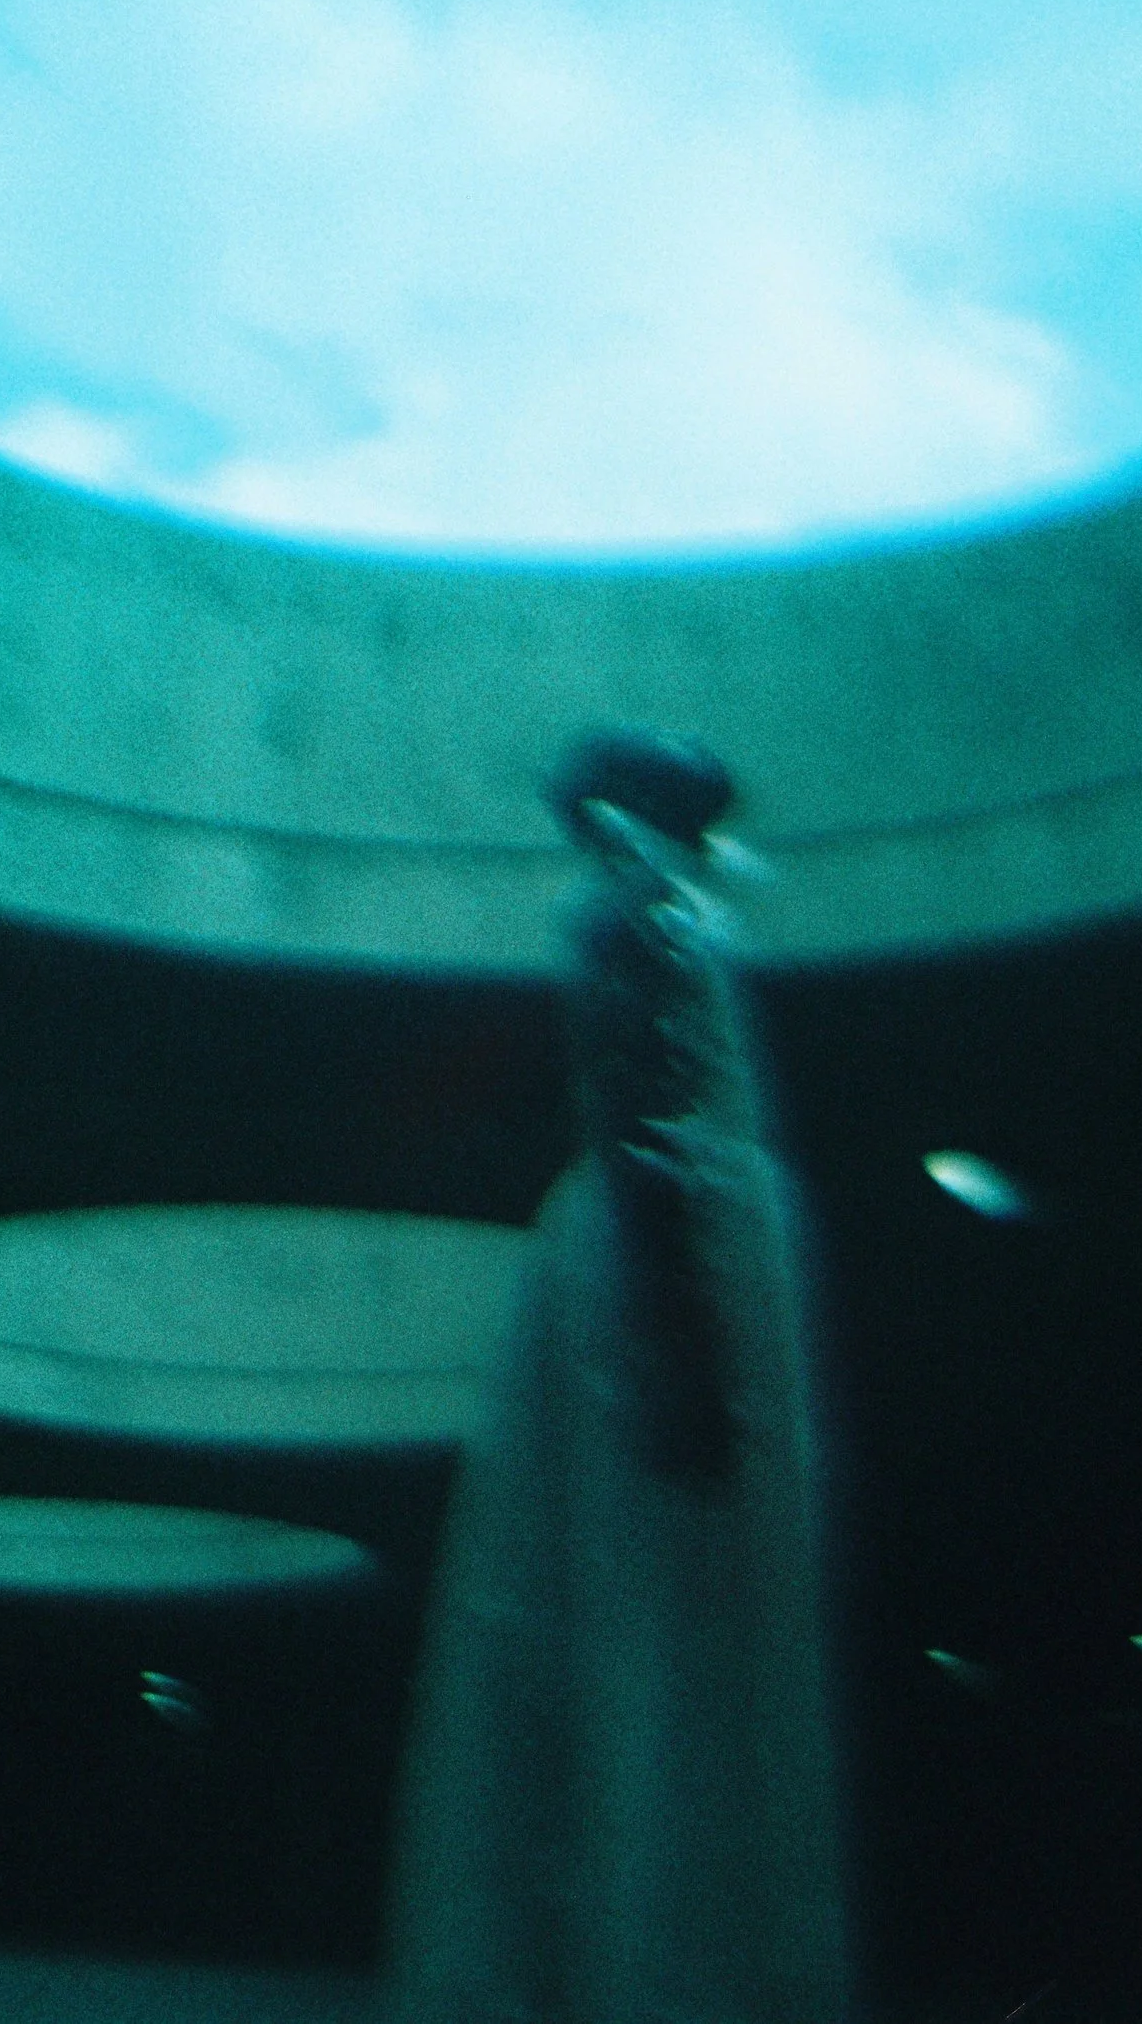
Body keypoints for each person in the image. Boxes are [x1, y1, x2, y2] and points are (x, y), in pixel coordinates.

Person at [382, 730, 859, 2023]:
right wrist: (682, 1338)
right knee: (670, 1620)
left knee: (642, 1613)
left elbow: (644, 1107)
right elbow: (644, 1106)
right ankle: (667, 1955)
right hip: (686, 1252)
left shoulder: (633, 903)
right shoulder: (642, 907)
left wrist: (679, 1316)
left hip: (681, 1250)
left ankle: (643, 1951)